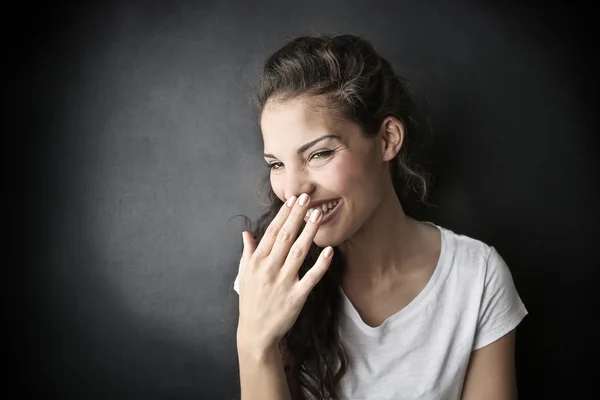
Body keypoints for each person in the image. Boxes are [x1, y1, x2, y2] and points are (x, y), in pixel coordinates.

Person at [232, 34, 528, 400]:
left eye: (319, 154)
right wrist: (254, 345)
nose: (293, 189)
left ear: (387, 139)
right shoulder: (269, 278)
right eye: (276, 164)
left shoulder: (477, 278)